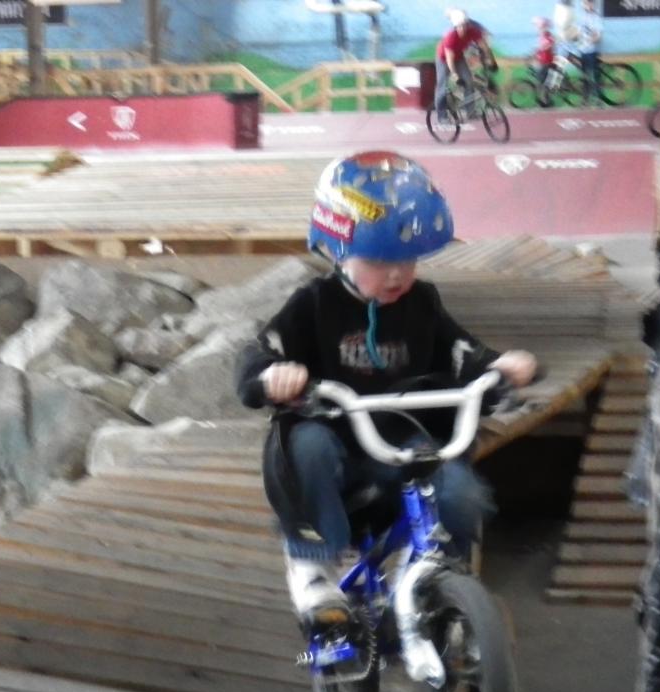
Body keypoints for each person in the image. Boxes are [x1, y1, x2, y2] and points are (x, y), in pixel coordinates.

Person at [234, 152, 539, 631]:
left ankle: (444, 587)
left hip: (401, 443)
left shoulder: (422, 303)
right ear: (339, 251)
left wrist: (497, 368)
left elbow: (460, 352)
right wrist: (274, 375)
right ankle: (314, 565)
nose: (397, 275)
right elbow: (259, 355)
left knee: (461, 495)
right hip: (336, 446)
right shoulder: (314, 305)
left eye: (407, 261)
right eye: (379, 262)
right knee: (306, 444)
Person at [433, 9, 494, 122]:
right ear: (455, 27)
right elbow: (449, 60)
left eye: (464, 26)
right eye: (459, 27)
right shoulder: (450, 37)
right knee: (442, 85)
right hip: (443, 59)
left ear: (467, 25)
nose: (462, 29)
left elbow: (484, 47)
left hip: (459, 56)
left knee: (468, 81)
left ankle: (470, 112)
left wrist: (491, 60)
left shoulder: (473, 31)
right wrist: (455, 76)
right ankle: (442, 116)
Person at [576, 0, 604, 105]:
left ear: (593, 4)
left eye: (590, 3)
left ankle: (599, 99)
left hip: (592, 51)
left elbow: (599, 36)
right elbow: (577, 33)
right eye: (586, 3)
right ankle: (585, 99)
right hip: (582, 51)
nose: (588, 5)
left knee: (595, 75)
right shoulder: (581, 17)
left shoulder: (596, 18)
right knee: (584, 76)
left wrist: (592, 39)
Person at [532, 16, 556, 89]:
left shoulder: (548, 35)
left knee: (543, 79)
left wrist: (542, 48)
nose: (539, 29)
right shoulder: (541, 35)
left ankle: (546, 95)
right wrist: (536, 51)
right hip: (542, 59)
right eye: (539, 27)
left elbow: (551, 43)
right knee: (538, 75)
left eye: (541, 27)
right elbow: (540, 47)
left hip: (547, 60)